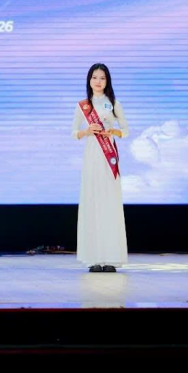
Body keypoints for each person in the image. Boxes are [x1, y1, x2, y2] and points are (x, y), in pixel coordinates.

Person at [71, 63, 129, 272]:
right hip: (92, 155)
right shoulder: (83, 106)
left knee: (109, 203)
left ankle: (111, 258)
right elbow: (74, 133)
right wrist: (87, 131)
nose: (98, 81)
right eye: (94, 77)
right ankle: (93, 258)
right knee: (92, 201)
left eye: (102, 78)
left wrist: (113, 132)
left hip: (109, 157)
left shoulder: (114, 103)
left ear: (107, 81)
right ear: (89, 80)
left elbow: (126, 130)